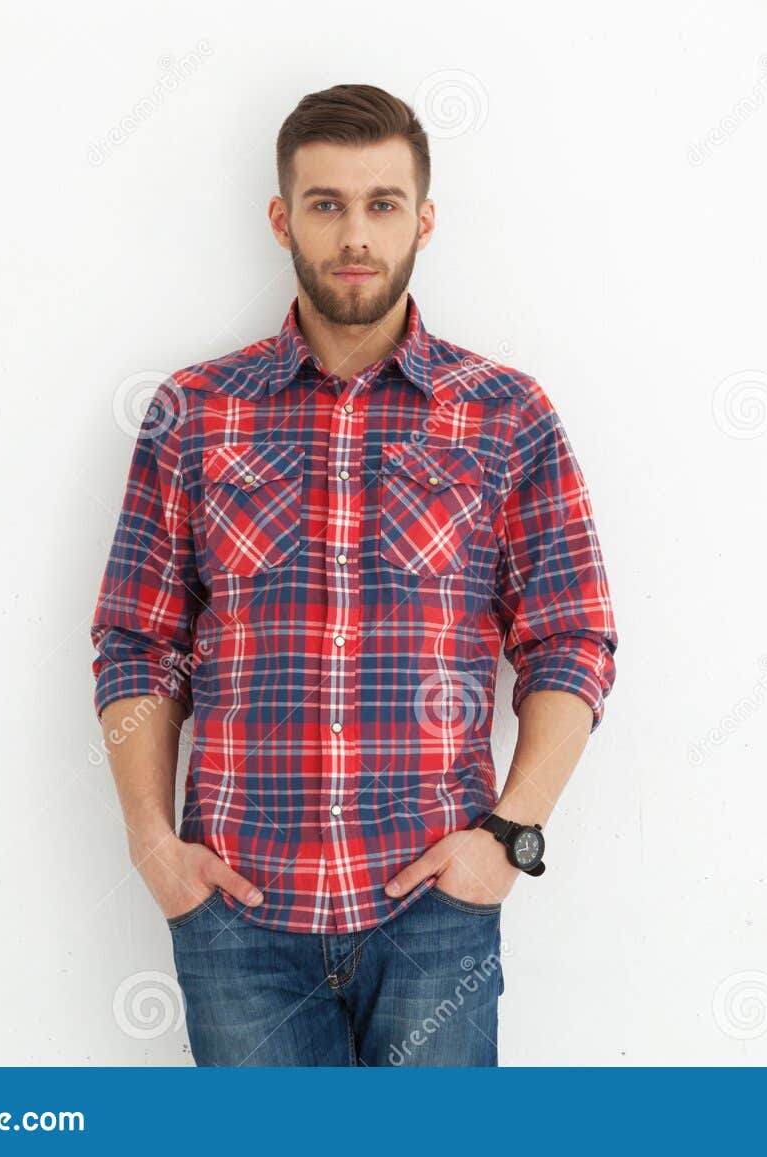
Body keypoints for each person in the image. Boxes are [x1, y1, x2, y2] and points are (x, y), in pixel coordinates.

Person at [89, 82, 619, 1066]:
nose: (354, 234)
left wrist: (509, 837)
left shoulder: (505, 413)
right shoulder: (193, 411)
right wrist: (152, 845)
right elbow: (136, 641)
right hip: (238, 918)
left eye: (381, 203)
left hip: (432, 912)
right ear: (282, 217)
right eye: (326, 203)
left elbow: (571, 639)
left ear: (422, 217)